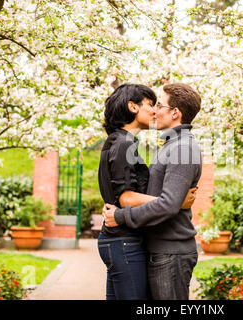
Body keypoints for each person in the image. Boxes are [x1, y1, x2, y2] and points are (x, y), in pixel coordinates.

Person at [97, 83, 197, 300]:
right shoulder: (124, 143)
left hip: (156, 246)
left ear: (175, 113)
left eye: (158, 104)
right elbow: (126, 197)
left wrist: (170, 202)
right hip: (125, 240)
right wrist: (175, 202)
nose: (154, 110)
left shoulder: (179, 146)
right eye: (151, 105)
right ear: (132, 107)